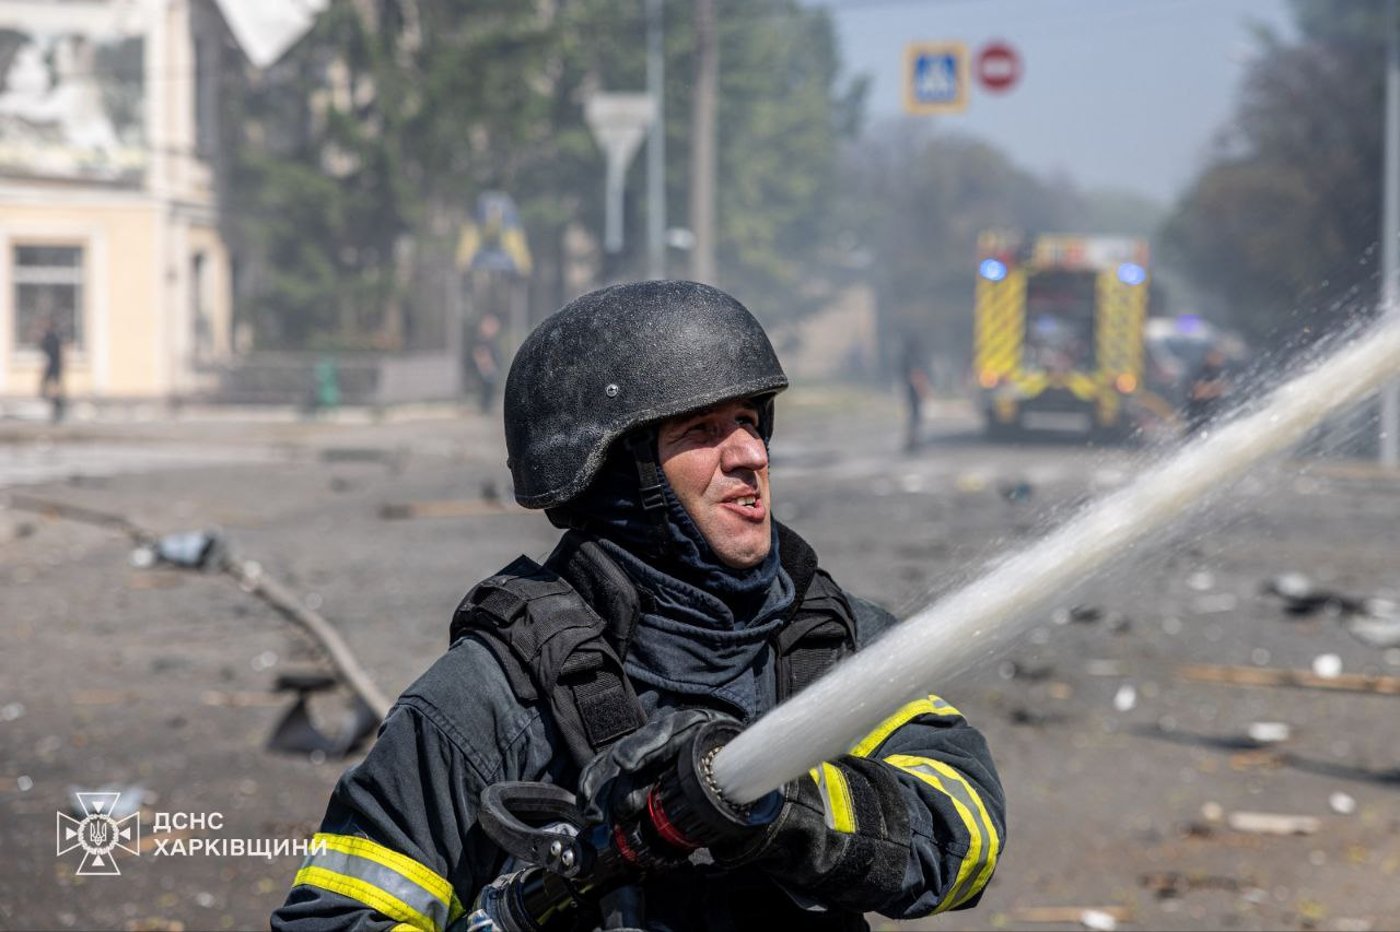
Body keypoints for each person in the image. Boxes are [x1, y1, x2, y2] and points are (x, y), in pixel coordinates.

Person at [272, 281, 1005, 932]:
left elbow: (967, 837)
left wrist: (781, 801)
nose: (749, 454)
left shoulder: (830, 641)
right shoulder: (495, 693)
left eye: (750, 420)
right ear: (619, 473)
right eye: (701, 431)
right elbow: (336, 919)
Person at [1184, 348, 1229, 435]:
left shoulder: (1219, 371)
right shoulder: (1199, 370)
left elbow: (1225, 387)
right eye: (1217, 355)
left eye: (1221, 356)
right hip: (1198, 417)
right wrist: (1214, 388)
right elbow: (1198, 393)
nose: (1220, 359)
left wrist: (1211, 388)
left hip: (1213, 415)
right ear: (1208, 356)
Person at [471, 313, 503, 415]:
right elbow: (480, 354)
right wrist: (487, 367)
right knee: (486, 391)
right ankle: (484, 408)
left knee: (490, 391)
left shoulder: (490, 340)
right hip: (486, 370)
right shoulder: (481, 339)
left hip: (491, 370)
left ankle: (487, 408)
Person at [38, 316, 65, 424]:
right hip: (53, 365)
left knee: (53, 387)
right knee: (49, 386)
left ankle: (56, 407)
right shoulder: (53, 336)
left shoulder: (52, 337)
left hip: (53, 366)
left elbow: (49, 350)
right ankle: (54, 406)